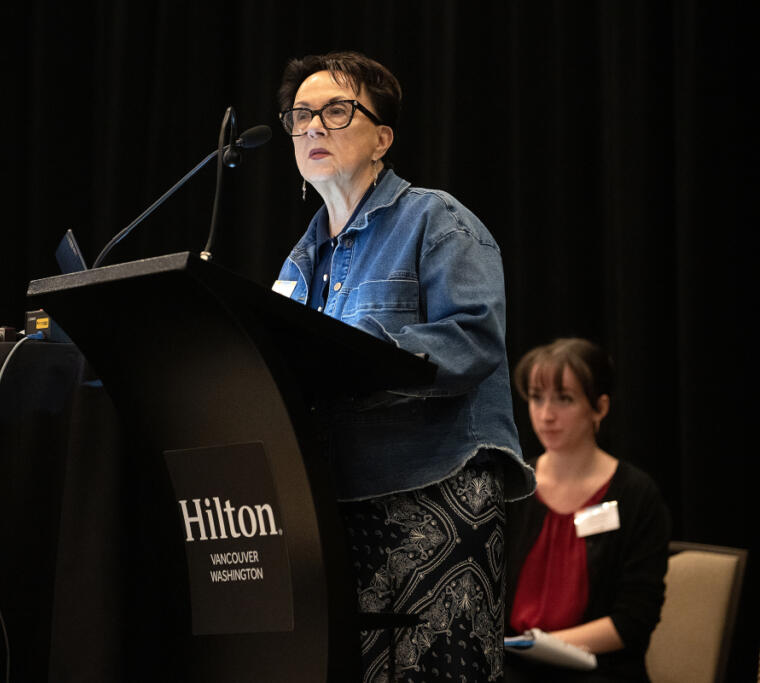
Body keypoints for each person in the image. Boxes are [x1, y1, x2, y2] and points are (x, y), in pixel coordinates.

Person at [273, 50, 535, 682]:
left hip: (435, 495)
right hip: (333, 508)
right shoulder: (301, 259)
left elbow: (471, 339)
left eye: (336, 110)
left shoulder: (434, 219)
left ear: (382, 137)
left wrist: (355, 358)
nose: (312, 127)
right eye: (300, 115)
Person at [505, 338, 670, 682]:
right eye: (537, 397)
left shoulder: (636, 494)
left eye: (564, 399)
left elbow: (634, 619)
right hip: (513, 669)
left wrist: (541, 645)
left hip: (600, 671)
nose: (546, 415)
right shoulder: (514, 486)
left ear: (599, 407)